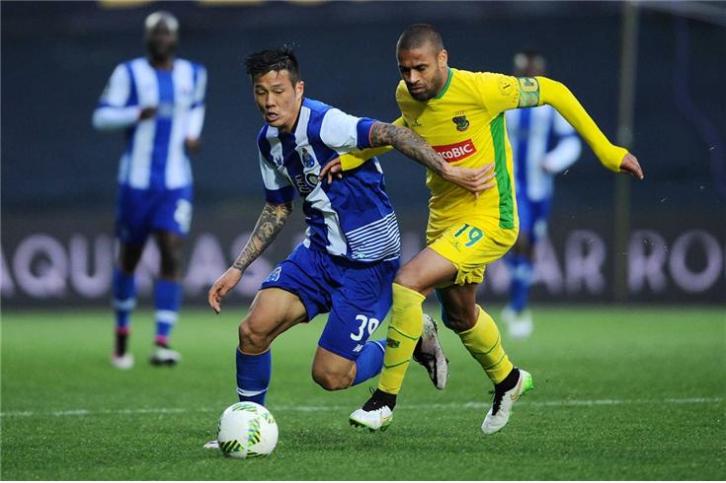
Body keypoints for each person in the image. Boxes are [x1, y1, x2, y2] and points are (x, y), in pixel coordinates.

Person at [324, 23, 643, 434]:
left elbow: (555, 91)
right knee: (460, 315)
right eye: (405, 69)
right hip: (444, 217)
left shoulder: (482, 89)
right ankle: (509, 380)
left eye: (420, 68)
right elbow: (404, 130)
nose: (412, 78)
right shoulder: (406, 94)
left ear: (442, 59)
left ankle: (384, 400)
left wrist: (607, 151)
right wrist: (354, 157)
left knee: (408, 282)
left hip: (490, 216)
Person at [207, 47, 489, 412]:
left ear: (298, 89)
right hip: (319, 254)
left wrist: (447, 170)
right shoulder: (269, 141)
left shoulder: (326, 123)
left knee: (330, 376)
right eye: (261, 92)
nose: (269, 102)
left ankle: (410, 341)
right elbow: (278, 206)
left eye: (278, 91)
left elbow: (392, 133)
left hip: (368, 267)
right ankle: (249, 421)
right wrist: (237, 268)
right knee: (252, 331)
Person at [92, 11, 207, 369]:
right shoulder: (128, 73)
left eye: (166, 33)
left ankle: (162, 342)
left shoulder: (194, 74)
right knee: (129, 257)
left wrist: (192, 135)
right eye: (155, 33)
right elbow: (101, 117)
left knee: (172, 252)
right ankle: (121, 339)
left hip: (175, 183)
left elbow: (196, 107)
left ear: (175, 38)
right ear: (147, 38)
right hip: (136, 183)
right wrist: (135, 113)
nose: (161, 39)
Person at [502, 50, 583, 339]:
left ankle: (516, 301)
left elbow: (572, 142)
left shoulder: (550, 106)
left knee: (531, 247)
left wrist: (552, 161)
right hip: (513, 186)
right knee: (520, 238)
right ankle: (519, 309)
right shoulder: (505, 104)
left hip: (541, 188)